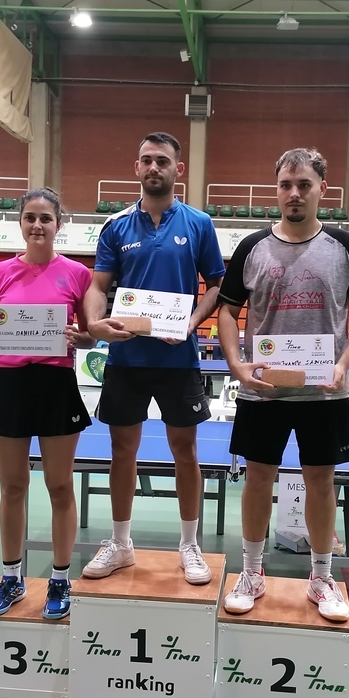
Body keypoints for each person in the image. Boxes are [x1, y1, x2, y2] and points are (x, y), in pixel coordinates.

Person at [217, 147, 349, 622]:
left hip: (322, 391)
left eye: (304, 185)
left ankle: (321, 577)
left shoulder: (344, 247)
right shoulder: (252, 248)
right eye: (286, 185)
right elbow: (227, 311)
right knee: (257, 479)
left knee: (320, 482)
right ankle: (251, 572)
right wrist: (237, 364)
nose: (294, 194)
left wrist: (343, 363)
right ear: (277, 189)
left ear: (322, 190)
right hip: (263, 389)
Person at [81, 132, 226, 584]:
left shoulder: (199, 223)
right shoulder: (116, 225)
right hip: (126, 359)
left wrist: (191, 322)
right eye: (146, 160)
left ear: (178, 170)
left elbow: (218, 286)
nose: (153, 167)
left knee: (186, 451)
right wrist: (94, 323)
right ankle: (121, 543)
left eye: (162, 160)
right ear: (136, 167)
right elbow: (97, 286)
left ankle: (189, 545)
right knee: (122, 451)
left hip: (178, 359)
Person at [0, 187, 95, 619]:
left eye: (46, 217)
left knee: (60, 486)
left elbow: (90, 332)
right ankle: (11, 579)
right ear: (20, 223)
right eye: (30, 217)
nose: (38, 225)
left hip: (55, 383)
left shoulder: (78, 274)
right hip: (9, 385)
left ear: (59, 224)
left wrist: (78, 337)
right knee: (12, 487)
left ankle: (60, 580)